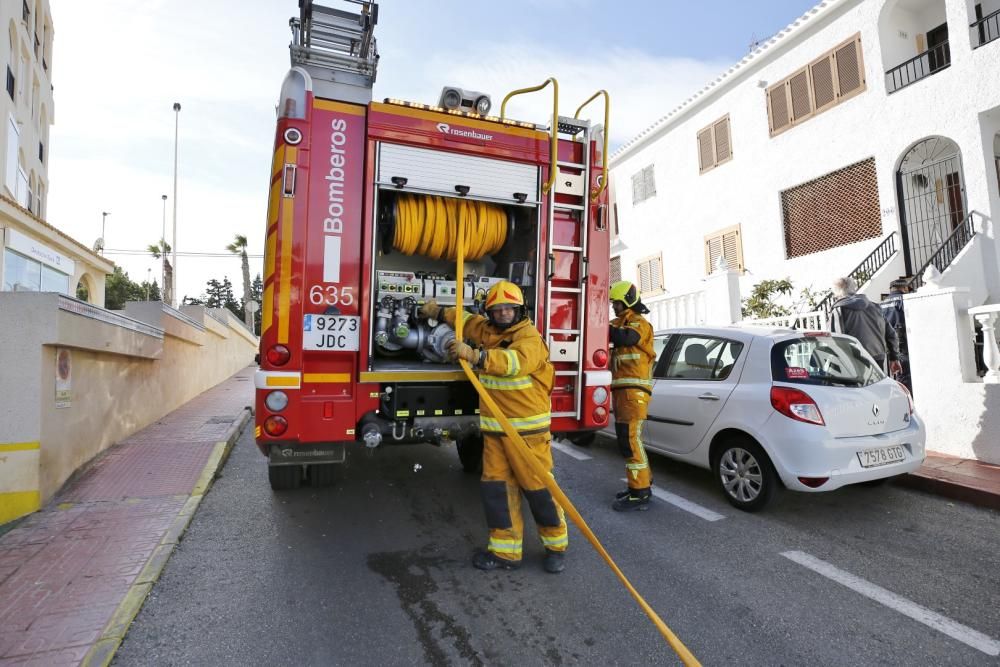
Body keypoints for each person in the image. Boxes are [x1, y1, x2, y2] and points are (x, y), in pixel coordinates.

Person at [418, 280, 567, 574]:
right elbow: (466, 320)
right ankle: (506, 553)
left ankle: (556, 547)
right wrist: (437, 311)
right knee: (497, 491)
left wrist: (475, 355)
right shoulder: (487, 329)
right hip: (496, 432)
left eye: (507, 310)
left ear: (519, 310)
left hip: (526, 434)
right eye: (496, 311)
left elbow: (513, 363)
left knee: (538, 491)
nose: (502, 315)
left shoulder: (529, 339)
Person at [608, 280, 656, 512]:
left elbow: (627, 338)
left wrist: (601, 326)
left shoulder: (639, 322)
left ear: (626, 301)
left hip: (633, 393)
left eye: (616, 303)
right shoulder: (620, 322)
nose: (613, 307)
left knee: (630, 442)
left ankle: (640, 492)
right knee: (628, 441)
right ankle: (640, 483)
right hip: (623, 392)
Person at [829, 276, 902, 376]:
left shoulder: (839, 311)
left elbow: (836, 341)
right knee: (877, 389)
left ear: (836, 292)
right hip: (877, 357)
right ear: (853, 288)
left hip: (854, 361)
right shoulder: (875, 306)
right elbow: (891, 334)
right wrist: (894, 358)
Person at [881, 279, 911, 390]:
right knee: (905, 373)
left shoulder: (882, 303)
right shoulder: (904, 299)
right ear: (904, 288)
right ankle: (907, 396)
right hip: (903, 340)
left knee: (897, 370)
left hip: (889, 342)